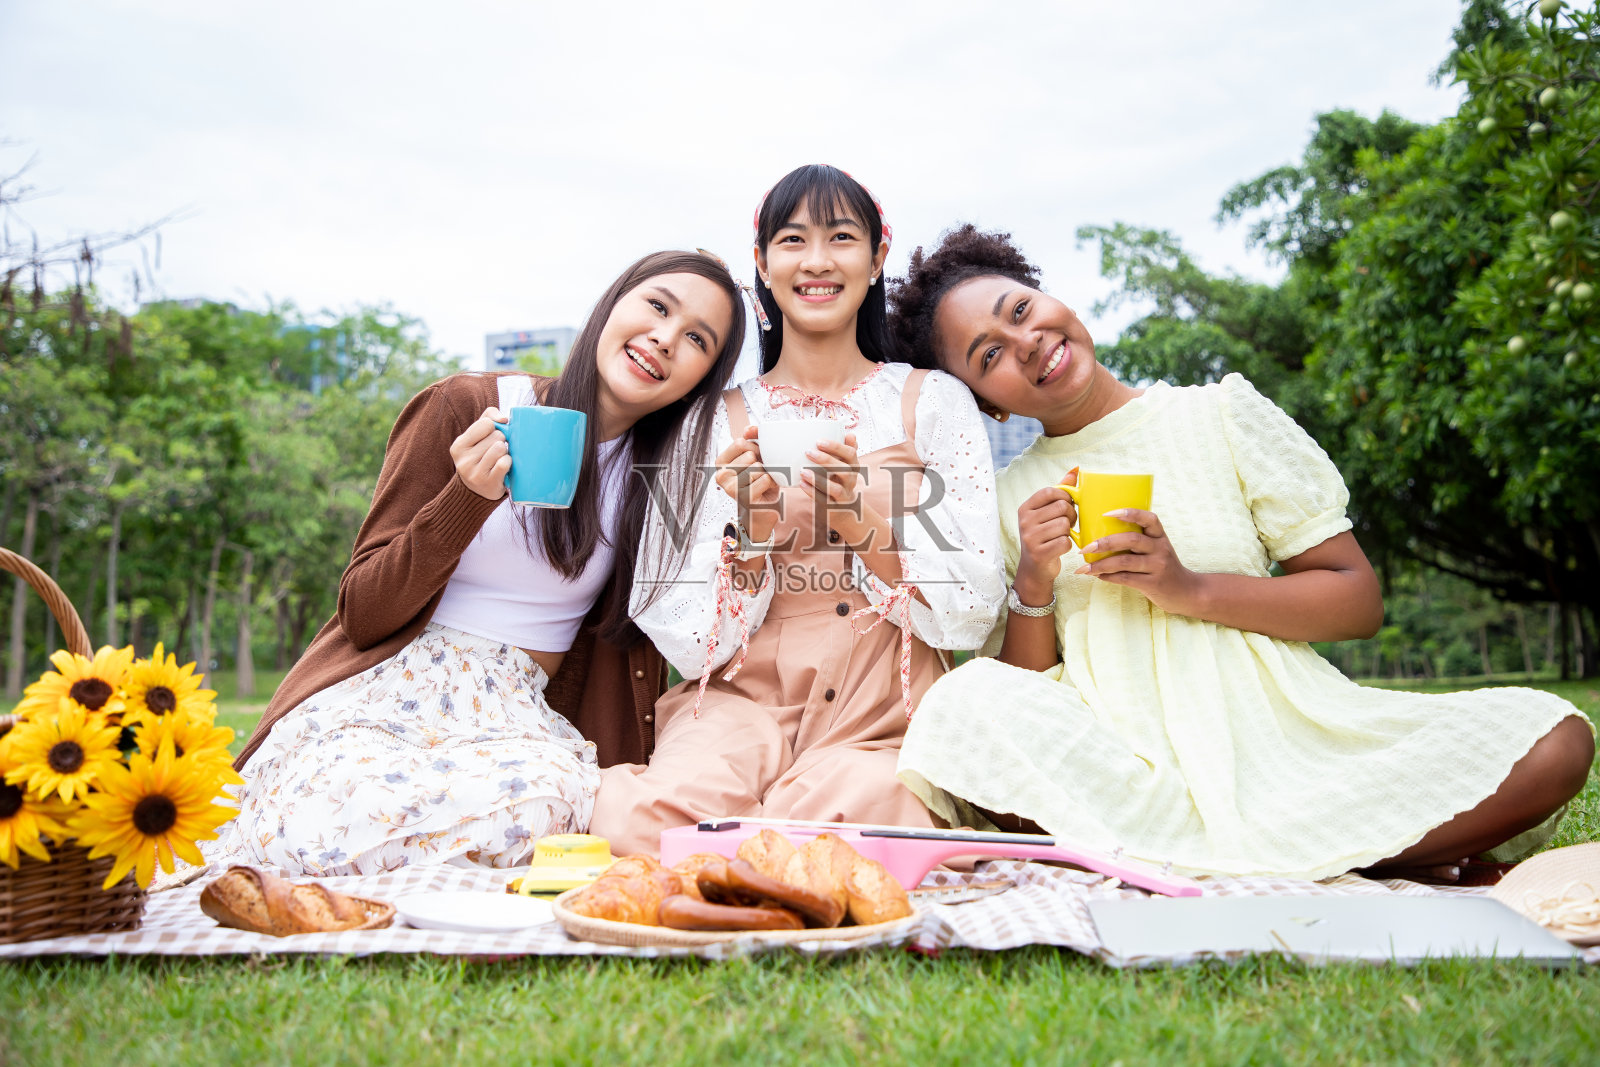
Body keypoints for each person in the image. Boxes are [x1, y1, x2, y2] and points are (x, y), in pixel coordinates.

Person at [885, 225, 1595, 880]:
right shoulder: (1006, 499)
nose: (1026, 342)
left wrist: (1185, 586)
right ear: (988, 404)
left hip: (1287, 744)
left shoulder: (1220, 413)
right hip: (1127, 768)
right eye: (989, 356)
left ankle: (1226, 853)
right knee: (964, 705)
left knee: (1554, 739)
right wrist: (1035, 584)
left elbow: (1356, 600)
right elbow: (1022, 690)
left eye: (1020, 310)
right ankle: (1346, 854)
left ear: (1050, 297)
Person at [213, 250, 746, 876]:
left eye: (697, 339)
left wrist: (749, 534)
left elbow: (692, 631)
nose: (665, 338)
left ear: (703, 378)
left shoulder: (667, 480)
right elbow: (363, 613)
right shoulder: (470, 405)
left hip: (517, 714)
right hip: (388, 692)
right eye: (657, 306)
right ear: (613, 303)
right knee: (331, 806)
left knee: (549, 803)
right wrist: (465, 499)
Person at [590, 167, 1005, 857]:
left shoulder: (933, 402)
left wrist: (859, 520)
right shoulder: (707, 423)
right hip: (736, 709)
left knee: (858, 811)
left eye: (841, 237)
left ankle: (748, 854)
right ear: (762, 264)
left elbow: (971, 610)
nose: (816, 261)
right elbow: (682, 637)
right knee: (643, 819)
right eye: (792, 240)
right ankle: (761, 851)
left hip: (883, 714)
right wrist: (752, 539)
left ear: (876, 258)